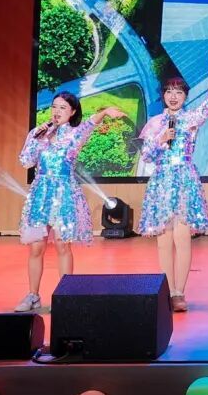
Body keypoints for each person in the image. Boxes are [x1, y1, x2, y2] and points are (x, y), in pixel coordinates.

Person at [14, 92, 127, 312]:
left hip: (64, 193)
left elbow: (90, 124)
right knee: (36, 247)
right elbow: (26, 161)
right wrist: (37, 137)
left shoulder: (75, 134)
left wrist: (105, 112)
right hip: (41, 194)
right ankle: (33, 295)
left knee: (62, 245)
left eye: (63, 108)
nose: (57, 111)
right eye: (54, 107)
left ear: (73, 112)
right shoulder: (39, 133)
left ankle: (65, 295)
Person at [137, 51, 208, 312]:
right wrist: (160, 139)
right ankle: (166, 291)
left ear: (185, 96)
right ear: (163, 95)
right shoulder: (155, 123)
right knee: (164, 239)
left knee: (182, 237)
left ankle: (179, 292)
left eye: (178, 92)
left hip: (185, 180)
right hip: (162, 182)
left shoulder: (190, 120)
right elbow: (147, 155)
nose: (173, 96)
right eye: (169, 91)